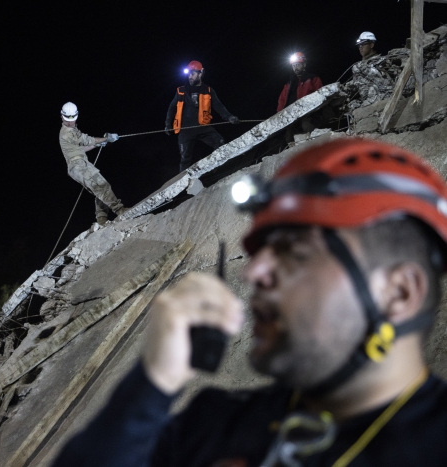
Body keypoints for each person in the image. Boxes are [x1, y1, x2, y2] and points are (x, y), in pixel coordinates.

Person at [53, 138, 447, 466]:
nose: (253, 272)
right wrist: (152, 383)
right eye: (260, 252)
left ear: (398, 292)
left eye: (294, 252)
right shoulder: (215, 423)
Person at [58, 102, 128, 226]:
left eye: (72, 119)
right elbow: (86, 140)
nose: (70, 122)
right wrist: (106, 138)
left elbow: (81, 149)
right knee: (102, 185)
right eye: (67, 120)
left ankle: (101, 220)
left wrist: (97, 144)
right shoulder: (66, 133)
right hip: (78, 165)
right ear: (62, 117)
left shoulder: (72, 130)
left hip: (79, 164)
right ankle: (120, 210)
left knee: (98, 189)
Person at [165, 61, 240, 173]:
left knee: (219, 142)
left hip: (203, 127)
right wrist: (168, 124)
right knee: (185, 159)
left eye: (192, 74)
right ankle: (183, 182)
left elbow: (218, 106)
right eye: (188, 74)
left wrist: (229, 117)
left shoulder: (208, 90)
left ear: (200, 73)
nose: (190, 77)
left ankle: (215, 168)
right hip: (186, 130)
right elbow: (172, 107)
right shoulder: (181, 91)